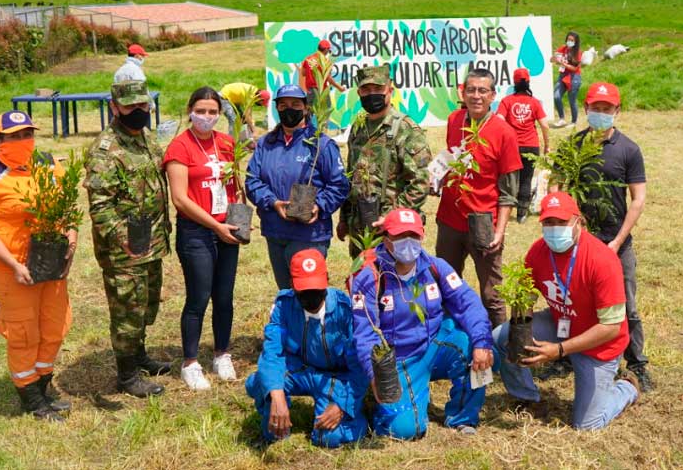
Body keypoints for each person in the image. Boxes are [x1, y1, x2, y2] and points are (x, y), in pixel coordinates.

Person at [492, 192, 640, 430]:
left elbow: (611, 327)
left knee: (587, 425)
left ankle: (626, 388)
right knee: (501, 336)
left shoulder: (601, 259)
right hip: (561, 324)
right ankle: (526, 396)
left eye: (561, 222)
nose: (554, 229)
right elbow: (526, 297)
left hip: (599, 344)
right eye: (548, 223)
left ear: (578, 221)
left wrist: (560, 350)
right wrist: (522, 330)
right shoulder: (538, 251)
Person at [350, 208, 495, 438]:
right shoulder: (371, 276)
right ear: (386, 240)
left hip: (434, 344)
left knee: (472, 344)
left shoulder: (436, 267)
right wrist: (374, 374)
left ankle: (462, 417)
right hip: (399, 357)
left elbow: (468, 303)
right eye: (399, 237)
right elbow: (364, 332)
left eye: (414, 236)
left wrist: (482, 342)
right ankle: (382, 408)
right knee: (406, 430)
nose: (408, 243)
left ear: (423, 235)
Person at [0, 110, 75, 422]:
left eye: (26, 134)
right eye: (13, 136)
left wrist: (72, 236)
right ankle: (30, 397)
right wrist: (14, 265)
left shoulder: (49, 164)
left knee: (54, 327)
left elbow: (67, 207)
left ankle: (44, 385)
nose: (22, 141)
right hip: (14, 273)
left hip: (51, 268)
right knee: (24, 333)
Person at [84, 80, 173, 398]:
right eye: (131, 106)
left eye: (143, 105)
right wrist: (124, 239)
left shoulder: (147, 138)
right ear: (114, 107)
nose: (139, 111)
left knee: (145, 304)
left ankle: (139, 355)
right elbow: (100, 206)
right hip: (124, 250)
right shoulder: (105, 150)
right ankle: (127, 375)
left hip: (150, 242)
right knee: (127, 310)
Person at [574, 81, 653, 391]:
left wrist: (617, 241)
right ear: (586, 110)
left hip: (616, 241)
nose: (601, 114)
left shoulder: (628, 149)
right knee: (580, 302)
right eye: (596, 109)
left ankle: (636, 363)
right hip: (581, 242)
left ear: (617, 111)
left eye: (607, 109)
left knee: (626, 305)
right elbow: (559, 187)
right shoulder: (574, 147)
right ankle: (575, 354)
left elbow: (638, 199)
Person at [245, 249, 368, 448]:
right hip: (299, 369)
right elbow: (272, 353)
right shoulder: (284, 306)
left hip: (334, 377)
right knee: (265, 391)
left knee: (327, 438)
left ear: (327, 280)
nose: (311, 297)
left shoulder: (346, 312)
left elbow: (361, 366)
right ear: (293, 285)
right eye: (304, 290)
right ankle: (270, 412)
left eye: (316, 288)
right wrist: (276, 394)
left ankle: (356, 417)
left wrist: (342, 406)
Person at [163, 87, 241, 388]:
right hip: (197, 232)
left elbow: (235, 186)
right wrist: (215, 226)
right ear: (190, 110)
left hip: (227, 229)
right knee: (199, 297)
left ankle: (222, 353)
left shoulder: (227, 144)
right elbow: (180, 199)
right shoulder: (179, 147)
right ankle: (191, 362)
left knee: (224, 297)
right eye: (201, 111)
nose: (207, 117)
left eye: (212, 111)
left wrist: (237, 220)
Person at [436, 68, 523, 326]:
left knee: (491, 293)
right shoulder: (454, 120)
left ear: (493, 95)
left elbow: (509, 190)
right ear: (462, 92)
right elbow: (452, 155)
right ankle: (452, 341)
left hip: (484, 222)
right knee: (446, 284)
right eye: (471, 89)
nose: (476, 96)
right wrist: (438, 177)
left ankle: (500, 349)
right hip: (450, 220)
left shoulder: (504, 132)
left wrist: (500, 230)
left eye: (482, 90)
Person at [245, 84, 349, 289]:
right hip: (275, 231)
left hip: (309, 234)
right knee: (286, 294)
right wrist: (273, 202)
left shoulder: (321, 144)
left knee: (309, 296)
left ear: (306, 108)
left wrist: (318, 205)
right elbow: (252, 180)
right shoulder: (266, 143)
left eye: (295, 104)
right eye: (283, 105)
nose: (288, 109)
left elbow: (339, 184)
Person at [337, 65, 432, 257]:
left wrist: (392, 216)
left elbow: (421, 182)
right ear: (359, 92)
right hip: (360, 228)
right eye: (366, 90)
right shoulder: (358, 128)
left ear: (390, 89)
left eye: (378, 89)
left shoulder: (405, 129)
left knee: (393, 283)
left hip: (394, 230)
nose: (372, 94)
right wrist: (344, 218)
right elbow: (351, 176)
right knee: (364, 282)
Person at [496, 67, 550, 224]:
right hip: (531, 146)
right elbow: (545, 125)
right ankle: (522, 214)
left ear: (513, 82)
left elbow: (499, 120)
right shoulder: (534, 102)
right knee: (526, 179)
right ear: (528, 82)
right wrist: (547, 145)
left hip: (512, 146)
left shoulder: (507, 101)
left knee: (510, 180)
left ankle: (505, 210)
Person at [551, 31, 583, 128]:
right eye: (568, 39)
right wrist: (555, 58)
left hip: (574, 77)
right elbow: (552, 60)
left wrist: (564, 64)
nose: (569, 41)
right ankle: (562, 119)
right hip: (562, 76)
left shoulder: (577, 53)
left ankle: (573, 122)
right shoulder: (562, 49)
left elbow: (575, 68)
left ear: (575, 42)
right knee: (556, 96)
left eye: (572, 40)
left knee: (571, 100)